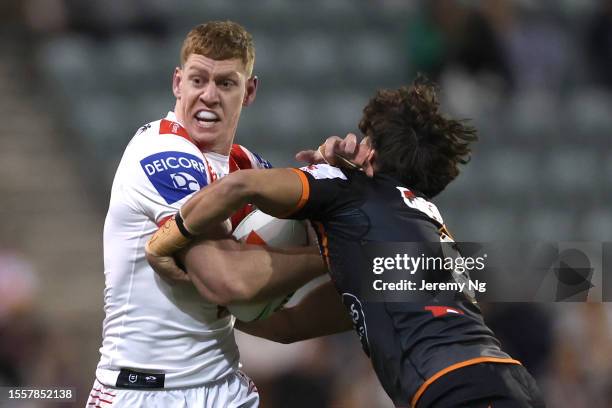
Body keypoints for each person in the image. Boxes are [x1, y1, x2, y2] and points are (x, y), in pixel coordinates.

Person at [146, 77, 546, 408]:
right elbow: (291, 326)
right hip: (511, 381)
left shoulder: (350, 188)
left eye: (364, 137)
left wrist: (167, 242)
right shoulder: (430, 229)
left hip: (453, 388)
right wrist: (215, 305)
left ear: (370, 155)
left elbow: (240, 184)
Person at [88, 20, 357, 408]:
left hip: (224, 388)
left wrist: (338, 178)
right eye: (198, 80)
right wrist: (339, 256)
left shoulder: (247, 167)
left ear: (249, 91)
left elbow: (283, 324)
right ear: (178, 83)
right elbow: (229, 280)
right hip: (144, 392)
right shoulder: (162, 153)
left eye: (226, 83)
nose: (209, 95)